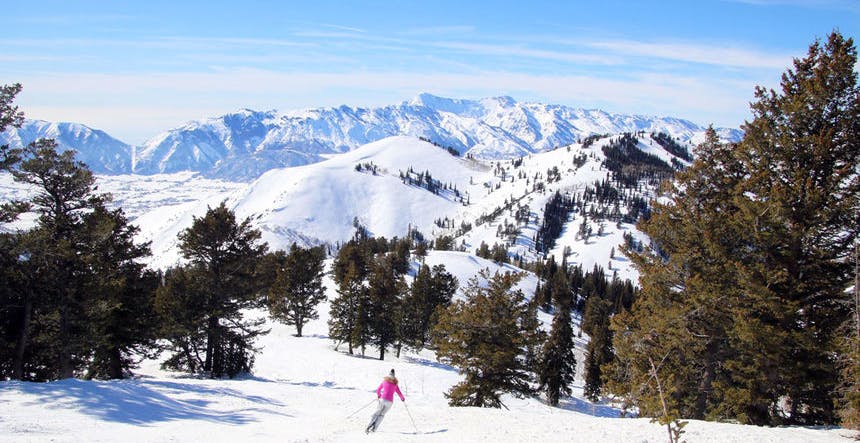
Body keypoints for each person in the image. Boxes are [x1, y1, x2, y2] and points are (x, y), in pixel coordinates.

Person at [366, 369, 405, 433]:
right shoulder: (395, 384)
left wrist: (379, 395)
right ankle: (375, 428)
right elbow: (399, 392)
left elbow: (378, 389)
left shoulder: (384, 381)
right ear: (394, 376)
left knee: (377, 412)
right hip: (390, 402)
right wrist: (402, 398)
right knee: (382, 414)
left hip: (382, 399)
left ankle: (369, 425)